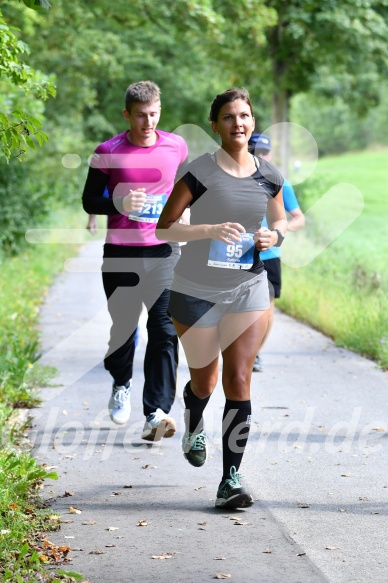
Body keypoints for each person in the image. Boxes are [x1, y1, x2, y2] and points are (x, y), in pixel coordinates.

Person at [156, 88, 287, 509]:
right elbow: (165, 228)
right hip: (194, 288)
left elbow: (281, 219)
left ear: (252, 122)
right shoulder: (199, 172)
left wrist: (274, 235)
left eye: (245, 115)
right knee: (205, 381)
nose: (238, 123)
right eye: (229, 117)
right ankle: (194, 410)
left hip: (248, 286)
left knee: (238, 379)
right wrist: (208, 231)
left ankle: (230, 478)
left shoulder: (270, 174)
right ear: (215, 125)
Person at [82, 80, 188, 441]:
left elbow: (181, 190)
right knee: (124, 329)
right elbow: (88, 201)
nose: (148, 122)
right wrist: (118, 204)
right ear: (127, 114)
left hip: (164, 252)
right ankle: (121, 382)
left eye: (154, 113)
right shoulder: (107, 150)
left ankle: (156, 412)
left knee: (164, 328)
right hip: (121, 253)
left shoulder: (176, 145)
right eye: (141, 115)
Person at [248, 134, 305, 372]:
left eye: (264, 152)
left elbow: (298, 219)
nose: (260, 156)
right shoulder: (236, 179)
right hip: (239, 253)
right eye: (255, 151)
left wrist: (278, 232)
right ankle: (238, 348)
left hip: (269, 255)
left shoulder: (281, 182)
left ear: (269, 154)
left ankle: (255, 354)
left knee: (267, 309)